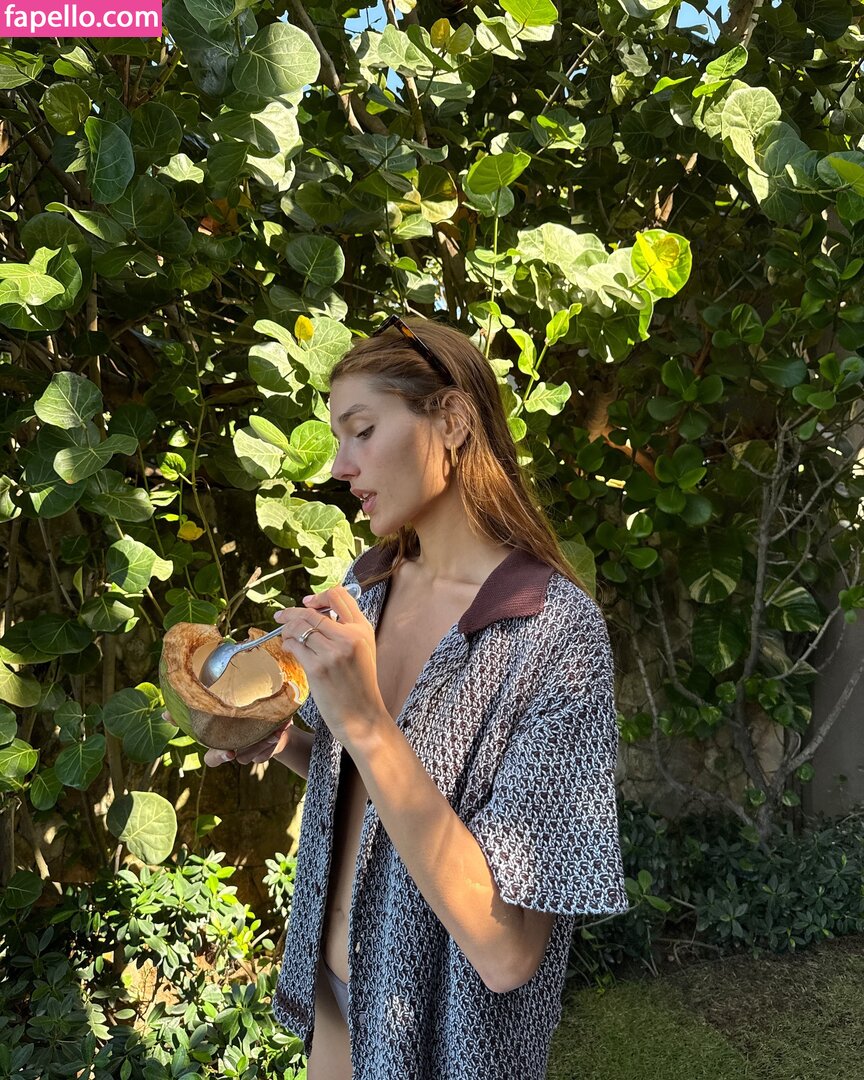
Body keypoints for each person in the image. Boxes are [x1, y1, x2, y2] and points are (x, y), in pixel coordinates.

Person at [171, 316, 629, 1079]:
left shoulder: (554, 633)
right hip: (337, 1003)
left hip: (444, 1040)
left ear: (451, 420)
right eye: (337, 438)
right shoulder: (369, 585)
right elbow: (368, 784)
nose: (340, 466)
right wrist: (287, 742)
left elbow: (508, 951)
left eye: (362, 430)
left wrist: (363, 720)